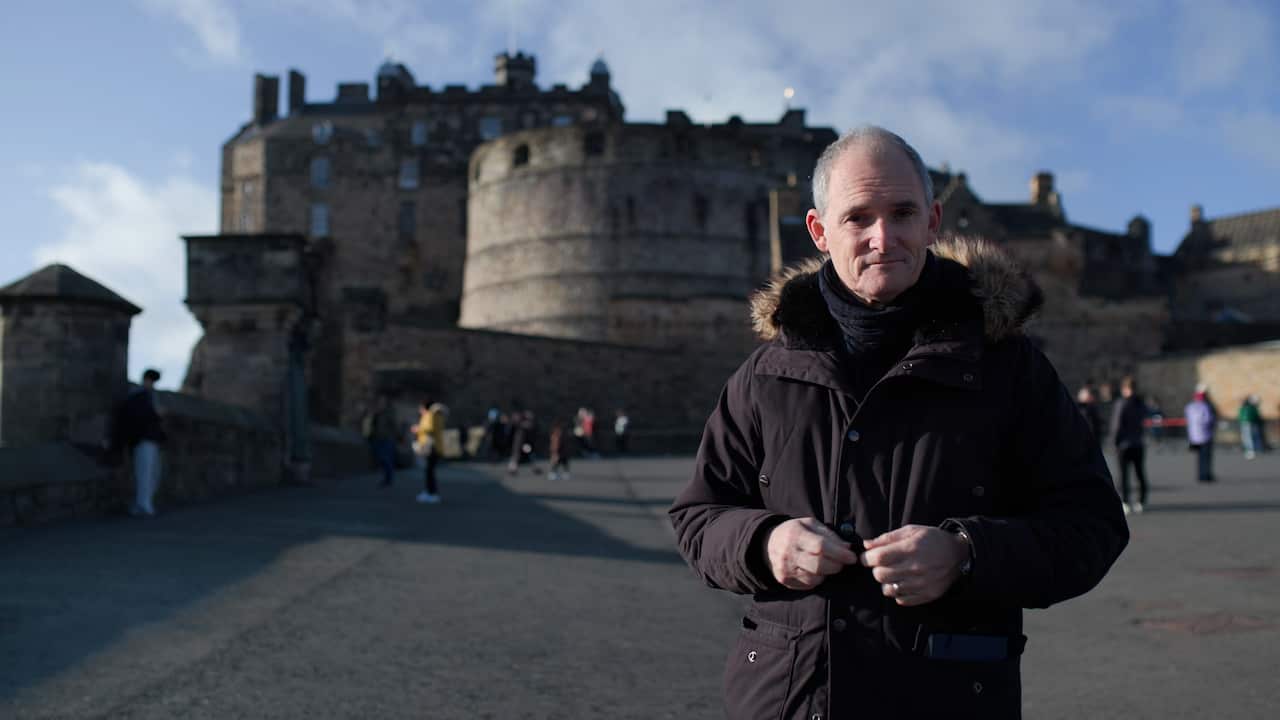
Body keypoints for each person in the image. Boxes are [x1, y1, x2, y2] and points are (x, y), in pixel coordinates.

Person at [668, 126, 1129, 719]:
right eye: (858, 217)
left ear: (933, 220)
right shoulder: (765, 374)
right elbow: (697, 518)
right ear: (818, 230)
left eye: (902, 213)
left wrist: (966, 553)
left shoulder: (1009, 368)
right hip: (791, 699)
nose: (882, 238)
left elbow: (1092, 526)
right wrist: (764, 543)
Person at [113, 368, 167, 516]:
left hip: (151, 439)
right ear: (146, 379)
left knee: (151, 473)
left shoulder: (149, 396)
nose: (153, 384)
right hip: (143, 439)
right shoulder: (138, 397)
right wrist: (155, 414)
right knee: (144, 473)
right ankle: (143, 504)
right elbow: (138, 419)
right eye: (152, 381)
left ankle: (143, 503)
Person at [1110, 376, 1149, 514]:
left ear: (1125, 389)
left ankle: (1125, 501)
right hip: (1138, 442)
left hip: (1124, 444)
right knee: (1139, 473)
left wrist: (1114, 442)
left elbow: (1117, 425)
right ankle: (1141, 501)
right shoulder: (1140, 403)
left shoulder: (1121, 404)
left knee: (1123, 475)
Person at [411, 401, 446, 503]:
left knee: (429, 471)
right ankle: (429, 492)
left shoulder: (430, 415)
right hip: (435, 446)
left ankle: (432, 493)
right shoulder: (437, 415)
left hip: (431, 447)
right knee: (429, 471)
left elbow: (430, 428)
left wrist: (418, 429)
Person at [363, 395, 398, 487]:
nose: (381, 405)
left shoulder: (389, 413)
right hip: (376, 438)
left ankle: (388, 478)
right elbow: (370, 424)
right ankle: (385, 477)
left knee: (386, 458)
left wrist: (395, 436)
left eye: (382, 403)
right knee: (380, 457)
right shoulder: (375, 413)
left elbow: (394, 426)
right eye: (379, 403)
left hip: (386, 438)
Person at [1186, 386, 1217, 483]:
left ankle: (1200, 475)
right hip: (1205, 436)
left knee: (1199, 458)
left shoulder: (1190, 407)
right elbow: (1208, 420)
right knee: (1206, 457)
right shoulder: (1205, 407)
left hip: (1194, 436)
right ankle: (1206, 475)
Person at [1237, 395, 1263, 460]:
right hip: (1247, 422)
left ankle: (1251, 450)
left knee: (1248, 437)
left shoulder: (1248, 407)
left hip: (1247, 422)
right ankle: (1251, 449)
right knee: (1248, 436)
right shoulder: (1249, 407)